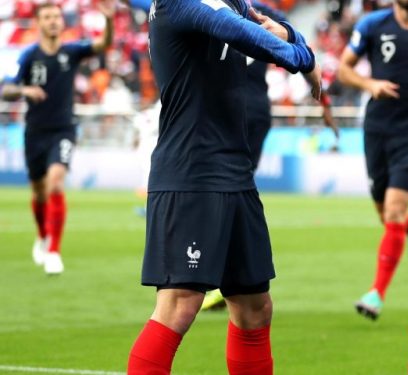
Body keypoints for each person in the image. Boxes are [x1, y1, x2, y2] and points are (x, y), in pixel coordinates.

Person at [125, 0, 320, 373]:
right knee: (179, 305)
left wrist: (293, 35)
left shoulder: (232, 2)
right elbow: (241, 32)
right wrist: (303, 58)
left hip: (234, 171)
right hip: (191, 174)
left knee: (254, 308)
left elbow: (264, 25)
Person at [200, 0, 339, 311]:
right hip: (254, 110)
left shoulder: (229, 8)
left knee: (224, 189)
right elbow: (299, 46)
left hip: (232, 108)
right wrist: (324, 103)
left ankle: (219, 275)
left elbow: (296, 44)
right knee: (235, 186)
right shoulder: (257, 10)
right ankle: (228, 273)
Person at [337, 0, 408, 320]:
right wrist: (370, 84)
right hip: (379, 126)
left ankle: (376, 294)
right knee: (387, 215)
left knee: (394, 209)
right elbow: (343, 69)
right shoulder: (372, 25)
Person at [2, 1, 115, 275]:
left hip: (63, 129)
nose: (53, 21)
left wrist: (109, 22)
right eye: (48, 17)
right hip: (35, 132)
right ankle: (42, 236)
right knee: (39, 192)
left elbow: (102, 46)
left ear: (62, 22)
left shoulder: (72, 51)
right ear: (39, 23)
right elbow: (6, 90)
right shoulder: (28, 56)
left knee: (55, 183)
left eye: (57, 17)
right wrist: (26, 91)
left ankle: (54, 251)